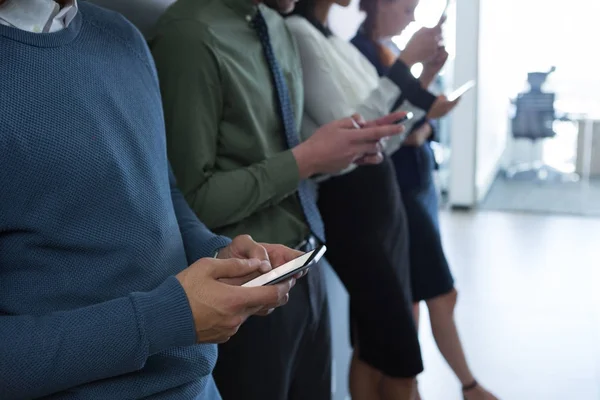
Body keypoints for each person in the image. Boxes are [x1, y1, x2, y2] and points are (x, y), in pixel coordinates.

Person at [0, 1, 305, 399]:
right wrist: (168, 318)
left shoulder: (123, 37)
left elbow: (162, 188)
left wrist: (219, 255)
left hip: (200, 387)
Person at [150, 0, 407, 399]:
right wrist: (308, 158)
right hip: (245, 289)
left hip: (306, 267)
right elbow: (191, 202)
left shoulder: (277, 25)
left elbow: (280, 154)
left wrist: (335, 152)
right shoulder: (189, 36)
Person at [284, 1, 459, 399]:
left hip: (383, 201)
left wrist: (425, 73)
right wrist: (407, 64)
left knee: (374, 345)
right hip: (353, 210)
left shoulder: (335, 42)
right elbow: (354, 132)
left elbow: (389, 133)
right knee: (401, 357)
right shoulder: (299, 35)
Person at [352, 1, 499, 399]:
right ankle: (466, 385)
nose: (411, 17)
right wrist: (418, 106)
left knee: (407, 309)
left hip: (407, 183)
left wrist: (427, 78)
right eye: (406, 7)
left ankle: (452, 385)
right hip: (388, 190)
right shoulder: (362, 53)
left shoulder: (381, 52)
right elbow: (374, 124)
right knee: (410, 309)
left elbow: (405, 115)